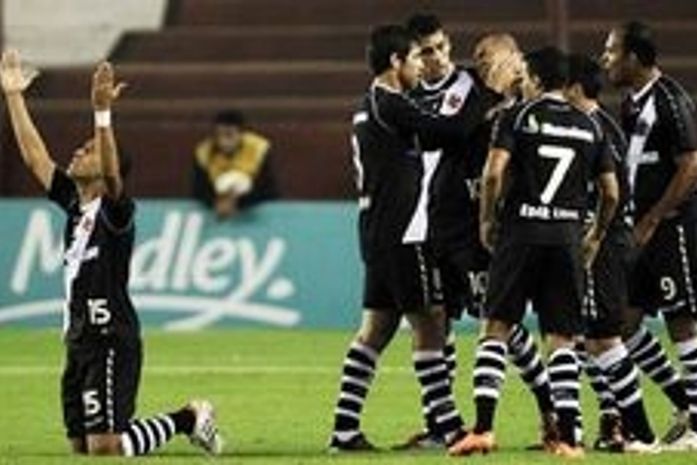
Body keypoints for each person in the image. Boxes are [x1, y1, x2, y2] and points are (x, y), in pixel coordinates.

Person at [0, 50, 223, 457]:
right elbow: (35, 158)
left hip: (111, 340)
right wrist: (13, 96)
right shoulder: (75, 205)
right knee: (81, 448)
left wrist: (102, 115)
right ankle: (179, 421)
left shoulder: (115, 212)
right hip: (78, 341)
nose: (77, 152)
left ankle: (189, 417)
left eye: (87, 150)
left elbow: (113, 175)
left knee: (105, 447)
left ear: (105, 168)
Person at [448, 47, 619, 458]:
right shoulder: (590, 125)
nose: (521, 81)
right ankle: (568, 439)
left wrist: (486, 220)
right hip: (567, 240)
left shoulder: (518, 116)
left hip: (521, 233)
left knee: (496, 328)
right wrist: (595, 235)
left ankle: (483, 429)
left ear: (538, 80)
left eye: (526, 75)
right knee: (562, 340)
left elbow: (493, 173)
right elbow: (611, 192)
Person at [328, 24, 489, 452]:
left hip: (376, 231)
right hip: (405, 233)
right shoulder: (392, 103)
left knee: (375, 331)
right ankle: (451, 430)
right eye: (415, 58)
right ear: (395, 61)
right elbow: (450, 132)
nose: (421, 66)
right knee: (430, 324)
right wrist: (484, 93)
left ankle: (344, 431)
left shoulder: (368, 105)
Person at [400, 13, 555, 450]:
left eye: (490, 58)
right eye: (479, 59)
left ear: (515, 59)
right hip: (442, 223)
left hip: (479, 231)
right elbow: (452, 132)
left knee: (501, 322)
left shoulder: (528, 106)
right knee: (438, 322)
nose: (482, 65)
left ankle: (550, 411)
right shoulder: (474, 95)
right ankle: (442, 425)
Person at [602, 20, 697, 450]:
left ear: (634, 58)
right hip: (639, 231)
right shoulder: (631, 103)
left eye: (612, 51)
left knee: (682, 320)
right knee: (623, 323)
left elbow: (690, 165)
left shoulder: (671, 100)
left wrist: (653, 219)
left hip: (671, 228)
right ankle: (684, 404)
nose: (605, 59)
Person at [566, 53, 659, 453]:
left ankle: (642, 434)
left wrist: (593, 236)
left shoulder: (593, 128)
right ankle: (617, 426)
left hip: (603, 244)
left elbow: (610, 193)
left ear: (573, 88)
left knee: (603, 339)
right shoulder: (604, 124)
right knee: (594, 338)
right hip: (609, 241)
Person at [192, 109, 278, 219]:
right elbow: (198, 190)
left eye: (229, 135)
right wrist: (215, 201)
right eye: (219, 135)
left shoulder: (258, 150)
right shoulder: (204, 153)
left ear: (241, 134)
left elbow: (268, 190)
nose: (223, 141)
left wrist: (236, 201)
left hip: (253, 212)